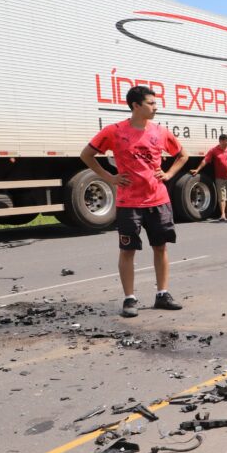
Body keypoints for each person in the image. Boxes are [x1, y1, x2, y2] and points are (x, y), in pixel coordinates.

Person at [79, 85, 188, 317]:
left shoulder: (160, 131)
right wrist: (110, 177)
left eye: (156, 103)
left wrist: (168, 174)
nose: (155, 107)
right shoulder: (114, 131)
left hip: (158, 200)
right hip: (129, 203)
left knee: (160, 247)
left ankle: (162, 294)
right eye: (151, 103)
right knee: (127, 250)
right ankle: (130, 299)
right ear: (135, 105)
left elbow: (183, 155)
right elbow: (86, 155)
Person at [191, 134, 227, 222]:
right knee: (222, 197)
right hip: (220, 178)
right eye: (226, 141)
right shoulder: (214, 150)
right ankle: (222, 214)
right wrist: (197, 169)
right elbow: (205, 160)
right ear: (221, 141)